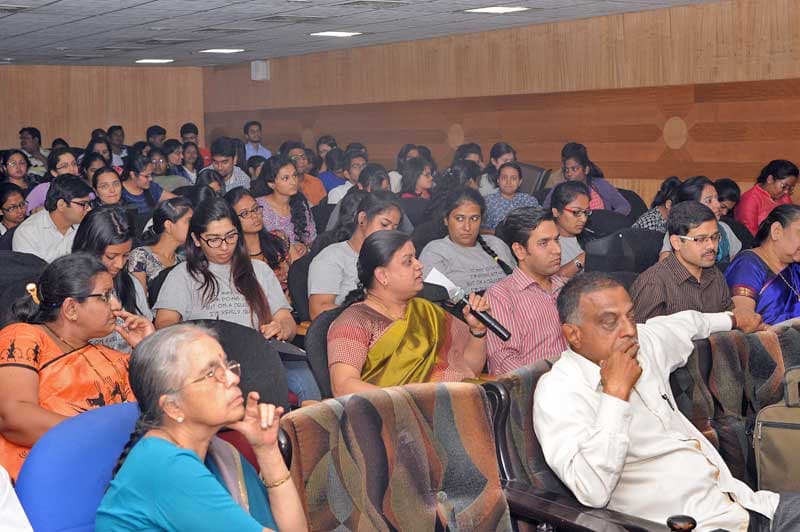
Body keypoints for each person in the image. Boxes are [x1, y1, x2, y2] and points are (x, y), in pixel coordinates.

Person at [533, 272, 798, 531]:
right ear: (573, 335)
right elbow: (592, 490)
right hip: (699, 524)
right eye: (609, 321)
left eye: (631, 316)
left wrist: (733, 319)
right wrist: (615, 394)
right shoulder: (559, 390)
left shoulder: (644, 345)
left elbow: (684, 324)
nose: (628, 330)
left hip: (752, 506)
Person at [96, 325, 306, 532]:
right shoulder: (166, 467)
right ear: (173, 406)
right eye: (211, 373)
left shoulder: (219, 452)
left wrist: (267, 451)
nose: (234, 378)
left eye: (227, 366)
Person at [0, 253, 153, 479]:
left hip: (109, 476)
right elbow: (14, 417)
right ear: (71, 308)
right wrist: (102, 437)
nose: (117, 305)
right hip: (43, 479)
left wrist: (146, 349)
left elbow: (159, 414)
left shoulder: (113, 358)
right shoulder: (24, 336)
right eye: (106, 296)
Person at [152, 197, 320, 402]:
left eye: (230, 236)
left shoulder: (259, 271)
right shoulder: (183, 275)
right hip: (208, 361)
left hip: (259, 354)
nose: (224, 246)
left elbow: (286, 320)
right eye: (213, 239)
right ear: (197, 240)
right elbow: (164, 324)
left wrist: (281, 328)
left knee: (306, 381)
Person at [327, 230, 491, 396]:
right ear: (382, 275)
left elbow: (469, 370)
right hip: (400, 415)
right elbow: (343, 386)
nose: (419, 265)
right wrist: (411, 402)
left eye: (416, 257)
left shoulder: (427, 312)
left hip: (455, 404)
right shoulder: (355, 321)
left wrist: (477, 331)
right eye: (408, 261)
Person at [630, 201, 764, 331]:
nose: (712, 246)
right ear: (676, 242)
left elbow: (730, 323)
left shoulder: (714, 274)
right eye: (700, 240)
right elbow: (644, 341)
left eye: (715, 237)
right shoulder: (654, 283)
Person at [486, 208, 567, 374]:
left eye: (556, 240)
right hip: (535, 390)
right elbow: (504, 361)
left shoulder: (568, 287)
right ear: (519, 251)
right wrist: (550, 383)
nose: (557, 250)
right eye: (544, 243)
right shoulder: (501, 296)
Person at [72, 206, 154, 352]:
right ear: (90, 249)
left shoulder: (131, 285)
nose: (120, 264)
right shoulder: (67, 286)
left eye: (125, 255)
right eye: (111, 257)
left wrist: (145, 344)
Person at [308, 192, 402, 319]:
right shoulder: (332, 257)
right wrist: (371, 315)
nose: (389, 232)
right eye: (384, 224)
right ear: (362, 219)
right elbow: (318, 310)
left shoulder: (391, 259)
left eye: (394, 228)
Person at [420, 187, 514, 294]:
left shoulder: (497, 244)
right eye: (460, 218)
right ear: (446, 220)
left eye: (474, 218)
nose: (467, 227)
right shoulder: (435, 252)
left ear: (481, 220)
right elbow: (437, 304)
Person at [725, 204, 800, 326]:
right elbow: (744, 320)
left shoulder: (795, 267)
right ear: (776, 231)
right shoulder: (748, 264)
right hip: (765, 342)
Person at [659, 176, 742, 264]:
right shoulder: (678, 232)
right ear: (691, 205)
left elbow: (736, 265)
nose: (718, 205)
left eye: (717, 198)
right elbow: (664, 268)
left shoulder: (725, 229)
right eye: (709, 200)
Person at [225, 188, 290, 297]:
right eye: (245, 213)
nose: (254, 216)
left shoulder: (278, 239)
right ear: (232, 220)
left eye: (255, 209)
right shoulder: (233, 257)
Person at [13, 174, 93, 262]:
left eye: (88, 204)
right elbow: (31, 273)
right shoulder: (27, 233)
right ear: (61, 205)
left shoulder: (87, 225)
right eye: (82, 204)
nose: (89, 208)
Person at [254, 155, 316, 261]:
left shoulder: (300, 203)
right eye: (285, 178)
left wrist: (304, 247)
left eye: (294, 176)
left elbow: (311, 240)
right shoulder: (259, 207)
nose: (293, 182)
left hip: (300, 262)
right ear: (271, 184)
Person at [543, 142, 630, 215]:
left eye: (574, 169)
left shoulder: (600, 185)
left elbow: (624, 206)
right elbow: (545, 211)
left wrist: (607, 219)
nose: (569, 173)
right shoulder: (558, 189)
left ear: (586, 170)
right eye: (566, 170)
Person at [128, 197, 193, 290]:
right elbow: (140, 301)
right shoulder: (141, 256)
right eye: (188, 221)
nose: (193, 226)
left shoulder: (182, 262)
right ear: (169, 225)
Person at [735, 160, 798, 236]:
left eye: (790, 188)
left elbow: (792, 224)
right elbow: (749, 234)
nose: (786, 192)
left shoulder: (785, 197)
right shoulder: (750, 199)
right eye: (784, 186)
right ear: (770, 179)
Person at [550, 181, 592, 279]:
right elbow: (554, 280)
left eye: (586, 212)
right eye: (576, 212)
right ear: (556, 212)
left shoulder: (589, 236)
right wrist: (584, 258)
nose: (583, 219)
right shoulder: (544, 243)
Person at [483, 162, 541, 230]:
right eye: (504, 178)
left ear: (519, 182)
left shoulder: (529, 200)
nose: (508, 182)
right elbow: (480, 229)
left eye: (513, 178)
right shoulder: (487, 202)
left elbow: (540, 222)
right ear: (498, 180)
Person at [25, 147, 80, 214]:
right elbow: (24, 211)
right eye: (64, 166)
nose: (72, 169)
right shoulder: (43, 189)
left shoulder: (84, 188)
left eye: (74, 164)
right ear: (54, 172)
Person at [121, 152, 176, 216]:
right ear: (132, 174)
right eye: (146, 176)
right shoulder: (118, 192)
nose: (150, 179)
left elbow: (175, 199)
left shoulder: (152, 187)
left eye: (151, 174)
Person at [280, 141, 326, 206]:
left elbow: (323, 208)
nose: (301, 161)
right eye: (296, 158)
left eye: (303, 157)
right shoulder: (281, 184)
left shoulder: (316, 182)